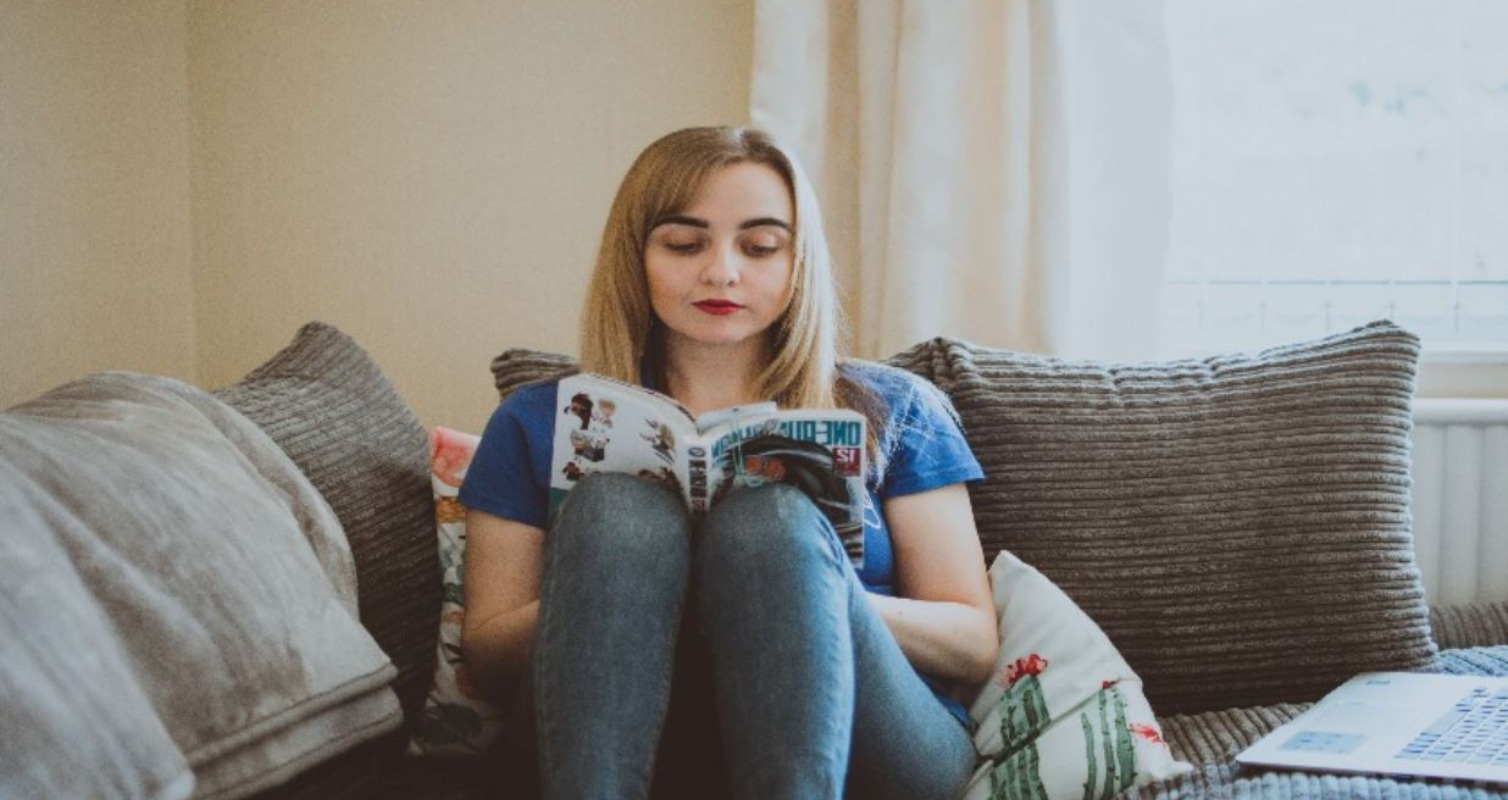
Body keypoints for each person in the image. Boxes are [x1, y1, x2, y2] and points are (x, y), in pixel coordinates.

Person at [457, 126, 997, 800]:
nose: (722, 271)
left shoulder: (899, 407)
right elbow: (487, 660)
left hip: (874, 743)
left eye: (760, 246)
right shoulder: (536, 420)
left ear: (798, 262)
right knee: (617, 509)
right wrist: (631, 584)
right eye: (685, 244)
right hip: (620, 739)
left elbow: (973, 643)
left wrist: (799, 589)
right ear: (636, 257)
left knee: (769, 526)